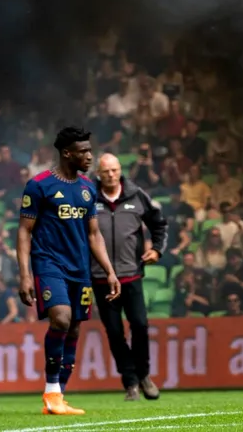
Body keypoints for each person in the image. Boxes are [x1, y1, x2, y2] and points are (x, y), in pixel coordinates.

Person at [17, 127, 121, 415]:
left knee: (74, 326)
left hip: (81, 269)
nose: (90, 156)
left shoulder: (88, 188)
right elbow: (25, 232)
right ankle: (51, 392)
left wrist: (110, 271)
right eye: (84, 152)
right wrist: (25, 274)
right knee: (61, 319)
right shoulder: (39, 186)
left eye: (90, 150)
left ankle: (58, 396)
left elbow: (94, 235)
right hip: (49, 264)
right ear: (67, 154)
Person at [92, 154, 168, 401]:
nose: (111, 175)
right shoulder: (88, 198)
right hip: (101, 278)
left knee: (140, 326)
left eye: (114, 170)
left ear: (120, 170)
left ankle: (144, 375)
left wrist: (157, 249)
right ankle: (131, 382)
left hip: (131, 275)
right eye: (106, 172)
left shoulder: (137, 195)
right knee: (114, 333)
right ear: (98, 174)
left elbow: (159, 224)